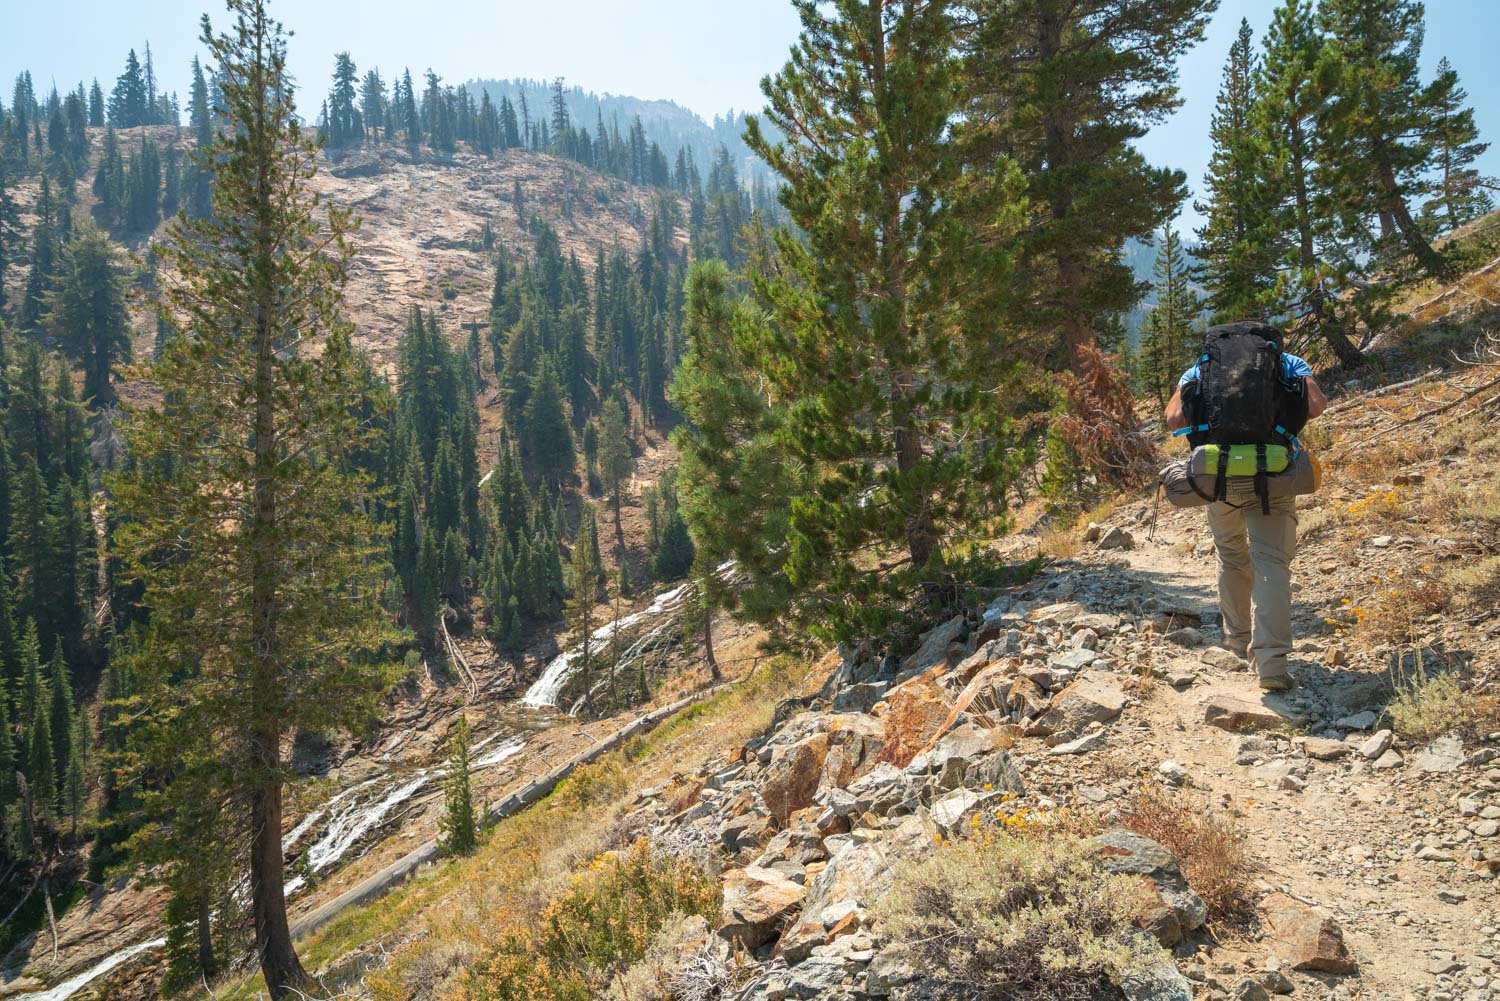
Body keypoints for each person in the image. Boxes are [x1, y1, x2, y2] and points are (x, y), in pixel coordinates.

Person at [1164, 343, 1327, 691]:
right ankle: (1270, 664)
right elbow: (1316, 407)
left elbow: (1174, 419)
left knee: (1231, 554)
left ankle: (1238, 641)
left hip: (1218, 475)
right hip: (1274, 473)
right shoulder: (1288, 362)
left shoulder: (1203, 367)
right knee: (1271, 562)